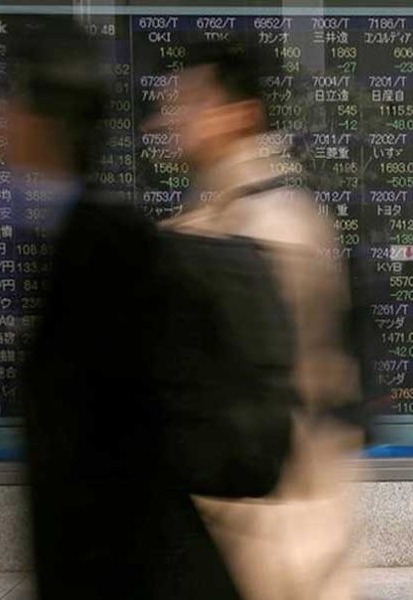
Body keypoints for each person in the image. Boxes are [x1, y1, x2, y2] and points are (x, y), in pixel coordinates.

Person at [13, 19, 296, 600]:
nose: (166, 120)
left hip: (225, 555)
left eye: (187, 102)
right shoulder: (121, 235)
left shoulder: (113, 248)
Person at [152, 42, 363, 600]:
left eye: (191, 103)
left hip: (275, 528)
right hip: (239, 518)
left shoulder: (271, 221)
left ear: (240, 113)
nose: (171, 119)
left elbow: (264, 384)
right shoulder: (215, 211)